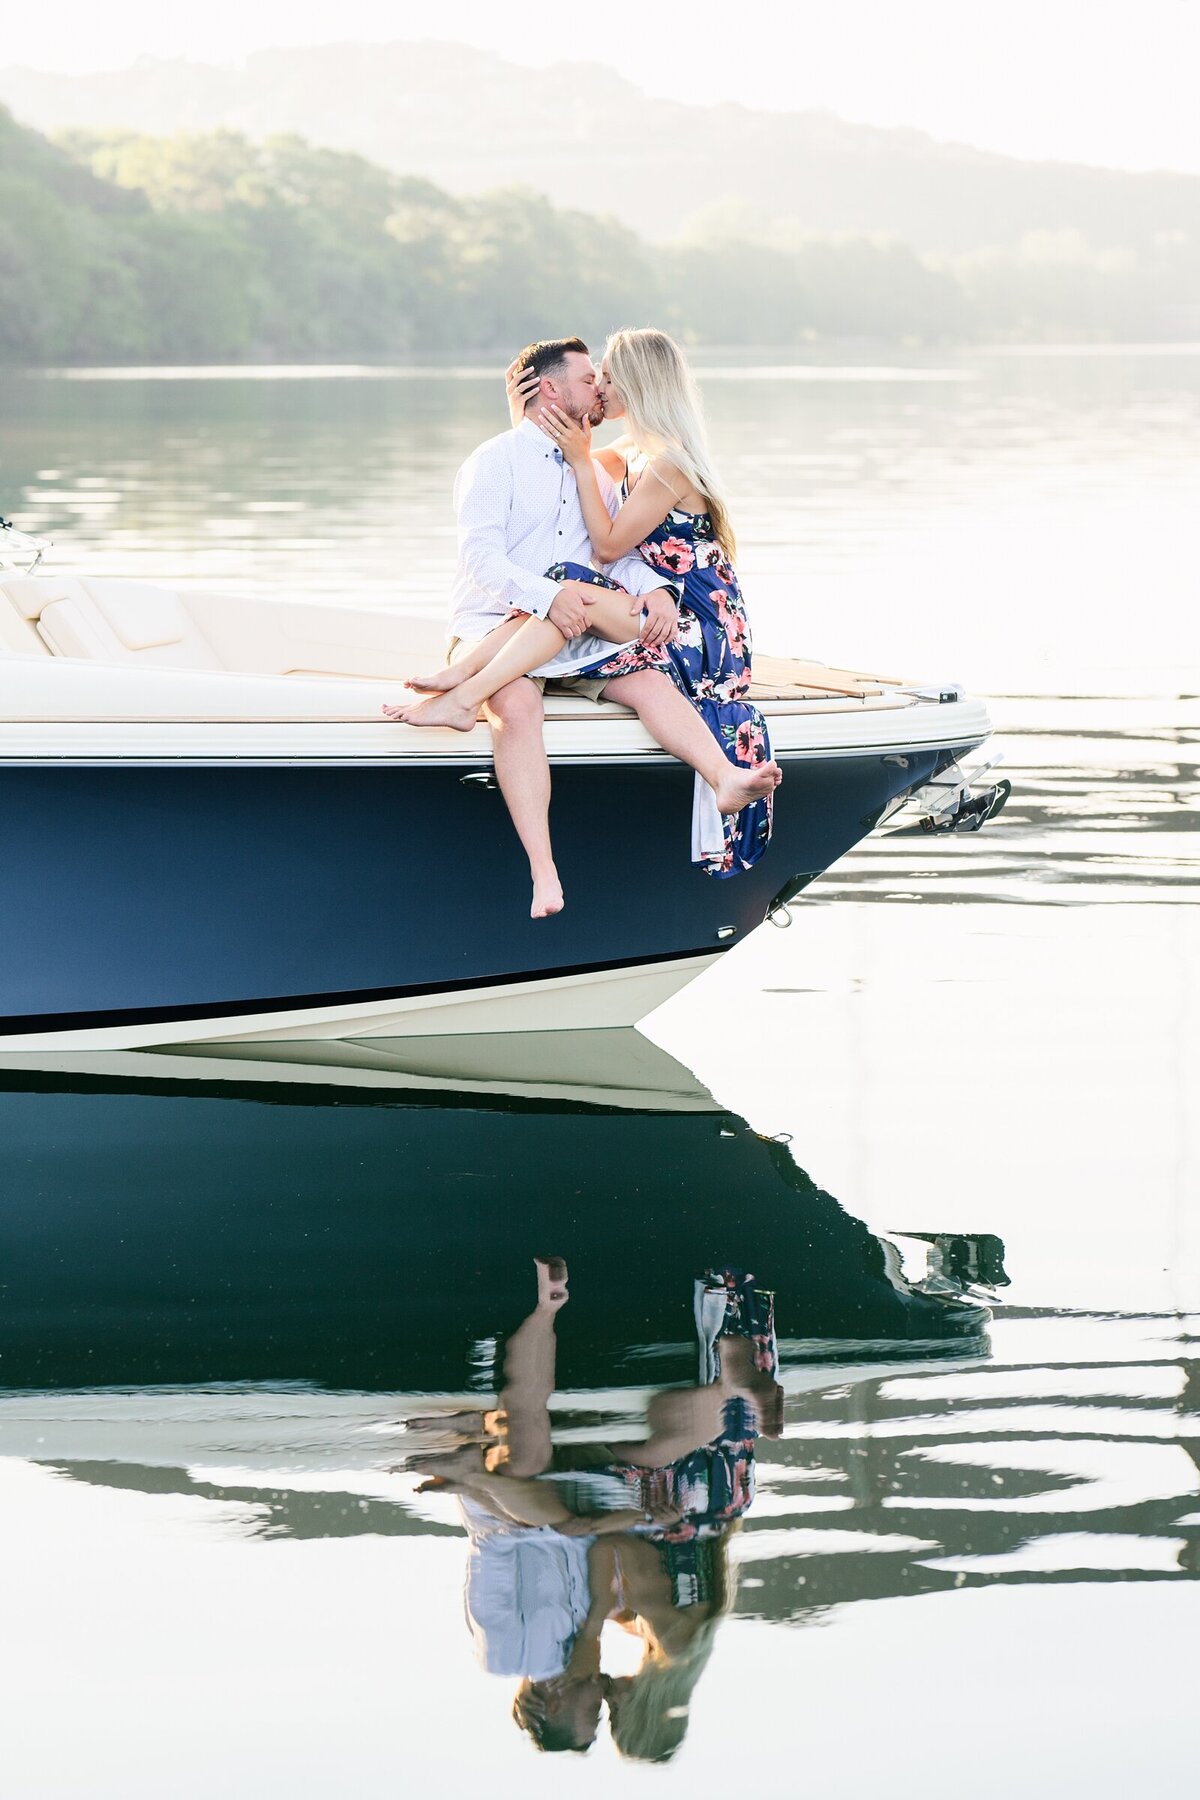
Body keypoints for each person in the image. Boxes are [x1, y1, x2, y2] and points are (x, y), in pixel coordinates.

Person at [383, 336, 781, 917]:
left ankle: (724, 776)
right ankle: (544, 873)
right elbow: (484, 563)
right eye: (590, 377)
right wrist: (552, 597)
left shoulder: (591, 464)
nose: (599, 387)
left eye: (605, 378)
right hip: (498, 625)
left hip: (591, 625)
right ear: (549, 390)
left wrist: (657, 588)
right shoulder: (498, 461)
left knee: (645, 678)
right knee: (518, 706)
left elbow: (611, 555)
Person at [524, 327, 775, 876]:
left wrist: (581, 455)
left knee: (569, 592)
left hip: (699, 619)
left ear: (636, 384)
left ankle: (488, 679)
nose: (600, 389)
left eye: (608, 378)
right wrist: (530, 412)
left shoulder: (668, 463)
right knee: (564, 590)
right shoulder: (632, 451)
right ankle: (504, 673)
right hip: (658, 598)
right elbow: (553, 473)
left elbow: (610, 543)